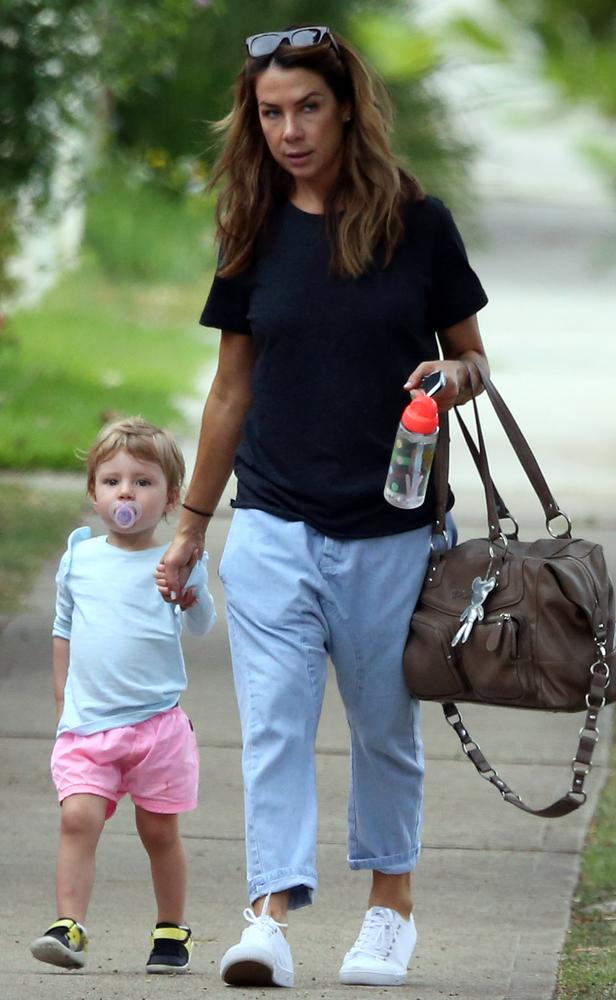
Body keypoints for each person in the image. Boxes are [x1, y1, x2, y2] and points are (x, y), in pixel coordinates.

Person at [157, 24, 489, 989]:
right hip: (272, 525)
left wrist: (455, 376)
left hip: (393, 531)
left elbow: (473, 357)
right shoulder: (251, 226)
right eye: (271, 113)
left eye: (307, 108)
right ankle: (267, 916)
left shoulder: (419, 222)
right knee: (274, 728)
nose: (290, 130)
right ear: (252, 122)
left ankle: (390, 912)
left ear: (346, 108)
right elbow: (230, 391)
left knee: (384, 727)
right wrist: (189, 525)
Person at [30, 417, 216, 974]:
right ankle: (68, 925)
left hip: (156, 725)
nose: (126, 493)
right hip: (88, 725)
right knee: (78, 819)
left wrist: (188, 595)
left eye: (143, 481)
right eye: (112, 481)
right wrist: (62, 693)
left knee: (159, 830)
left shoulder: (177, 562)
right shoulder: (80, 558)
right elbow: (63, 625)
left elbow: (203, 623)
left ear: (171, 499)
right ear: (94, 493)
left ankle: (170, 930)